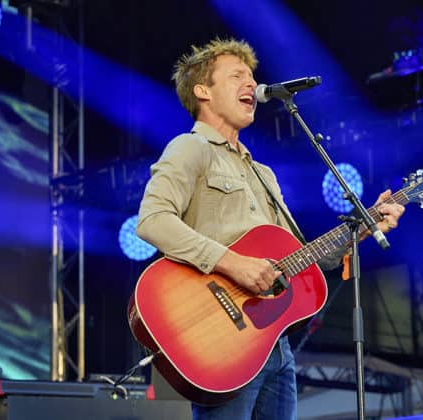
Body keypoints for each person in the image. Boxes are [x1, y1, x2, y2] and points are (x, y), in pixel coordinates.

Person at [136, 37, 405, 420]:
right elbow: (152, 220)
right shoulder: (189, 148)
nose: (251, 85)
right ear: (203, 92)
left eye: (252, 76)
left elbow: (300, 259)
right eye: (236, 76)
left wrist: (364, 225)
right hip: (222, 342)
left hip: (273, 345)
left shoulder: (263, 174)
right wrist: (233, 263)